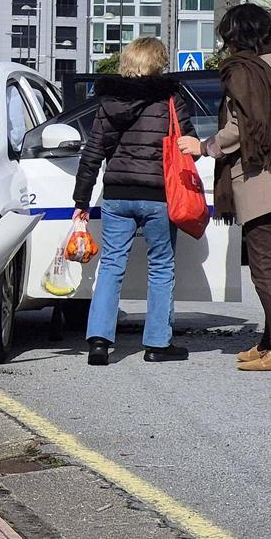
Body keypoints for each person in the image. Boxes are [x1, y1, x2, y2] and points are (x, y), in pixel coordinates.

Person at [178, 4, 271, 372]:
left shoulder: (248, 71)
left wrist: (204, 147)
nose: (227, 46)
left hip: (263, 181)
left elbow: (241, 128)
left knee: (265, 267)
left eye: (229, 37)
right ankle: (270, 341)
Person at [72, 37, 196, 366]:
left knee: (111, 266)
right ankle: (157, 344)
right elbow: (187, 143)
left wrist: (81, 199)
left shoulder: (108, 101)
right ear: (158, 62)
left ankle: (99, 341)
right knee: (161, 267)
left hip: (117, 194)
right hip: (158, 195)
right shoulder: (170, 99)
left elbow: (93, 152)